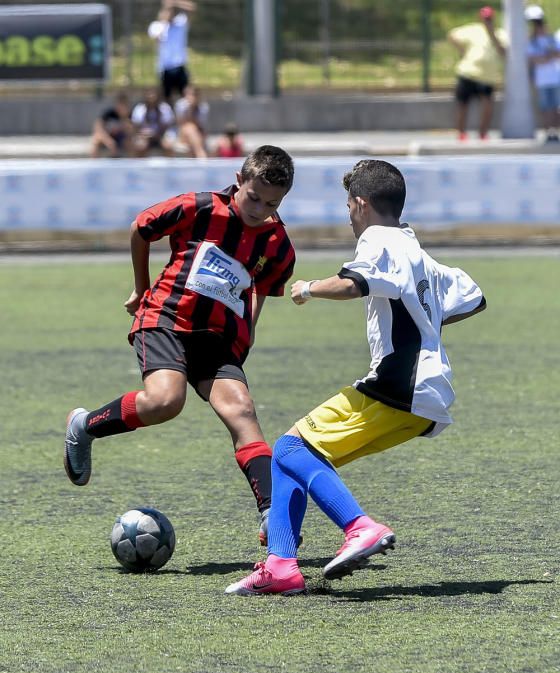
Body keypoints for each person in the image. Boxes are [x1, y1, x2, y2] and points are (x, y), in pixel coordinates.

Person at [225, 159, 487, 595]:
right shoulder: (416, 251)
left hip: (398, 383)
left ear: (361, 204)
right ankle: (282, 567)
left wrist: (308, 288)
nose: (348, 215)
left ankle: (359, 527)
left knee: (289, 446)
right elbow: (473, 299)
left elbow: (355, 283)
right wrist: (425, 323)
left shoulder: (380, 240)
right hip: (425, 393)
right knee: (294, 456)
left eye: (349, 206)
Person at [63, 146, 296, 546]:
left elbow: (261, 287)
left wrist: (249, 331)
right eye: (253, 197)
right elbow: (141, 227)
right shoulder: (201, 207)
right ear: (239, 181)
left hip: (218, 339)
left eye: (271, 203)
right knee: (165, 402)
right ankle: (84, 426)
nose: (259, 209)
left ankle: (272, 515)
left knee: (241, 410)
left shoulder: (278, 245)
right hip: (165, 319)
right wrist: (140, 287)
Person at [448, 6, 508, 141]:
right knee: (463, 105)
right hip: (468, 74)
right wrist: (462, 50)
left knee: (487, 106)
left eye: (489, 19)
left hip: (487, 77)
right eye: (485, 19)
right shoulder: (473, 30)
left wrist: (492, 34)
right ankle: (461, 134)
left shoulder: (500, 34)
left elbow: (503, 52)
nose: (487, 22)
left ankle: (483, 133)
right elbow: (452, 35)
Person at [148, 0, 196, 103]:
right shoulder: (157, 26)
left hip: (180, 66)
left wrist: (175, 3)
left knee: (186, 95)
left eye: (172, 11)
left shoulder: (181, 23)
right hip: (165, 68)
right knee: (166, 98)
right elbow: (157, 37)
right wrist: (165, 20)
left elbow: (192, 8)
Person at [525, 5, 560, 143]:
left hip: (555, 78)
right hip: (542, 80)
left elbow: (557, 54)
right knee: (545, 108)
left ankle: (556, 132)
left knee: (556, 108)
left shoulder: (552, 39)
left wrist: (547, 56)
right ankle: (548, 132)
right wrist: (548, 56)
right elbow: (535, 60)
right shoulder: (531, 42)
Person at [131, 88, 175, 157]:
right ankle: (140, 167)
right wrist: (143, 133)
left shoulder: (165, 108)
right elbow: (136, 126)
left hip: (161, 135)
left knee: (168, 146)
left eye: (153, 95)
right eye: (149, 95)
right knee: (140, 146)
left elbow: (168, 124)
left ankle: (168, 166)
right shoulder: (140, 108)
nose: (151, 97)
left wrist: (156, 133)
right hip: (144, 136)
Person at [90, 93, 133, 158]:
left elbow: (131, 131)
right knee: (96, 141)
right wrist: (108, 140)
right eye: (120, 103)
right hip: (108, 136)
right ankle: (94, 163)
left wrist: (124, 117)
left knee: (131, 144)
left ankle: (131, 164)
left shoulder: (129, 115)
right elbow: (98, 127)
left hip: (121, 137)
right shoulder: (109, 113)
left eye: (124, 104)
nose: (121, 106)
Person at [173, 85, 209, 157]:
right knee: (190, 128)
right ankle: (201, 155)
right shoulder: (180, 105)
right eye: (189, 94)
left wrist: (193, 108)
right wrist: (189, 109)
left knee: (192, 129)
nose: (191, 97)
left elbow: (200, 124)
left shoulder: (203, 106)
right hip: (182, 132)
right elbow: (180, 123)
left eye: (194, 94)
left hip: (197, 132)